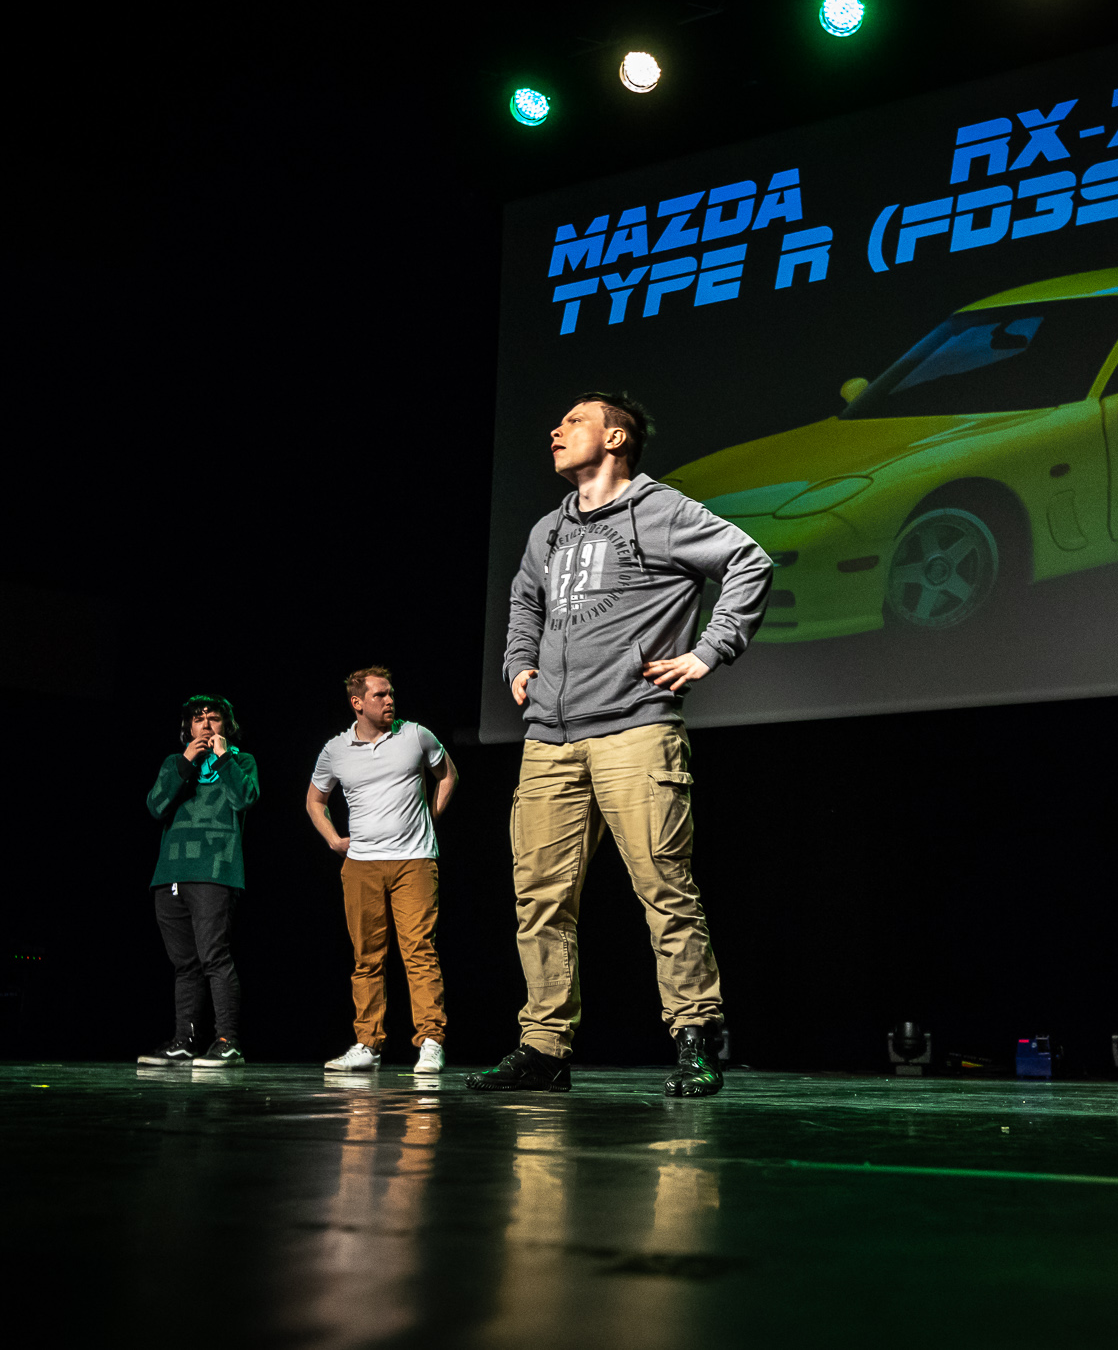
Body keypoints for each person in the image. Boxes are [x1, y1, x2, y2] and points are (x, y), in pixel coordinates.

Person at [467, 391, 773, 1098]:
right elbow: (524, 599)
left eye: (574, 421)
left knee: (664, 888)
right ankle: (544, 1047)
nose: (556, 430)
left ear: (615, 438)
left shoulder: (661, 511)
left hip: (636, 727)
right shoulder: (547, 530)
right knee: (540, 898)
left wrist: (709, 651)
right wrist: (518, 663)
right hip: (549, 740)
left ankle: (695, 1037)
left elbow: (748, 562)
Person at [307, 666, 458, 1074]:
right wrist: (333, 839)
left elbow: (448, 775)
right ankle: (367, 1044)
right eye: (380, 695)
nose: (390, 700)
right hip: (361, 866)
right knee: (367, 958)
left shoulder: (415, 735)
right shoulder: (335, 750)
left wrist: (430, 818)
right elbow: (314, 800)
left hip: (414, 860)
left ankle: (430, 1041)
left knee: (420, 951)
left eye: (391, 693)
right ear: (357, 702)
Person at [140, 695, 260, 1069]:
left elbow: (244, 798)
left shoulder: (241, 761)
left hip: (215, 873)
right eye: (198, 719)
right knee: (184, 964)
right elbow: (156, 806)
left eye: (214, 718)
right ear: (188, 728)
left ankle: (227, 1042)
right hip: (170, 874)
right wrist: (186, 762)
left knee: (214, 957)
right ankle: (184, 1041)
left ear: (227, 725)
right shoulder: (174, 763)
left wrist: (222, 758)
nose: (206, 724)